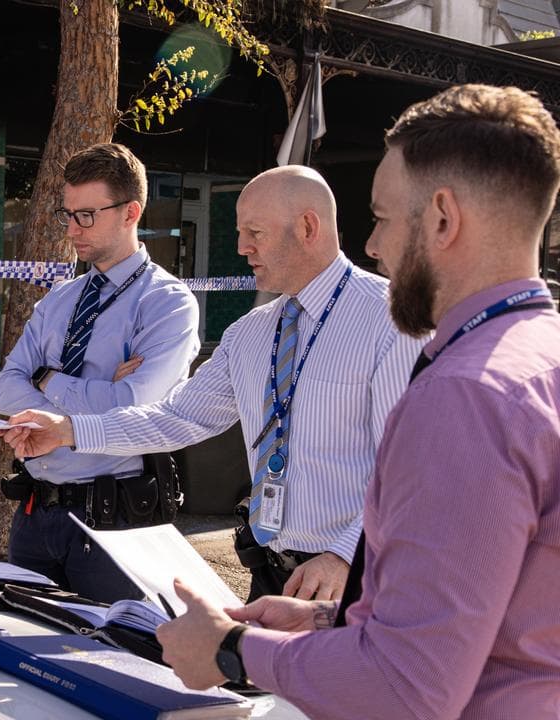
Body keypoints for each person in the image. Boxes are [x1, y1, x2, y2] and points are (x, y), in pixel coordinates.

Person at [154, 84, 560, 719]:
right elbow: (493, 613)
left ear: (445, 219)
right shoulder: (539, 356)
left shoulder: (466, 396)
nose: (372, 246)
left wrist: (231, 649)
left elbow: (406, 687)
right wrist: (328, 619)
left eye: (382, 218)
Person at [0, 165, 424, 601]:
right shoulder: (251, 333)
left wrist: (345, 555)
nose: (242, 247)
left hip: (358, 578)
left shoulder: (393, 322)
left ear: (308, 226)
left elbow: (416, 467)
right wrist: (67, 432)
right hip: (271, 574)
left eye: (254, 232)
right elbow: (177, 417)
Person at [0, 143, 200, 602]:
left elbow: (135, 408)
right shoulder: (59, 300)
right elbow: (5, 391)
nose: (71, 229)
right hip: (34, 514)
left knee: (110, 656)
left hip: (116, 520)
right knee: (25, 649)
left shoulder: (166, 303)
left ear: (131, 212)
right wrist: (100, 391)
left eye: (86, 215)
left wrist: (47, 379)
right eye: (67, 214)